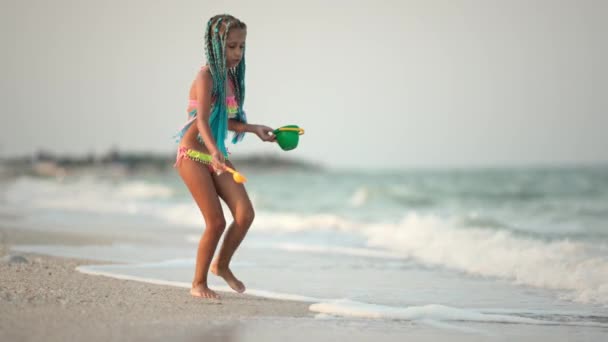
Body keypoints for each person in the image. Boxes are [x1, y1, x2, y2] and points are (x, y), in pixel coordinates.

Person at [173, 14, 275, 299]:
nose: (237, 53)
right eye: (231, 46)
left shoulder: (230, 80)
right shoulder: (205, 76)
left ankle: (222, 265)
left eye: (241, 47)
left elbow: (225, 121)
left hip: (216, 154)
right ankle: (198, 283)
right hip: (192, 154)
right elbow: (203, 121)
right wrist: (215, 151)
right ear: (216, 45)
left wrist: (253, 128)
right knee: (215, 222)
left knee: (245, 214)